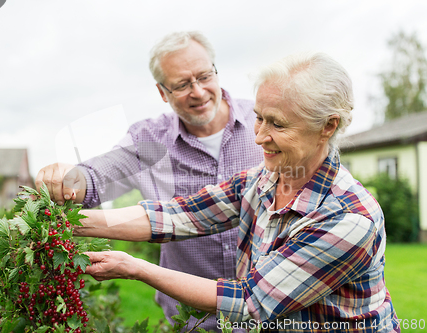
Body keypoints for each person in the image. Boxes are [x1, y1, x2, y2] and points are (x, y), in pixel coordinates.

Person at [74, 52, 400, 332]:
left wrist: (137, 268)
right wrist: (69, 221)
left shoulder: (348, 218)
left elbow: (250, 301)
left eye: (278, 124)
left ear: (327, 126)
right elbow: (180, 215)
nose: (259, 137)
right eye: (258, 118)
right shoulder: (263, 181)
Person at [35, 31, 263, 330]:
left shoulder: (265, 122)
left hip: (272, 311)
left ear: (216, 70)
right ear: (162, 92)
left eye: (204, 76)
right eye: (182, 84)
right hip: (192, 319)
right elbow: (96, 176)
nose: (198, 91)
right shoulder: (149, 141)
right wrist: (66, 178)